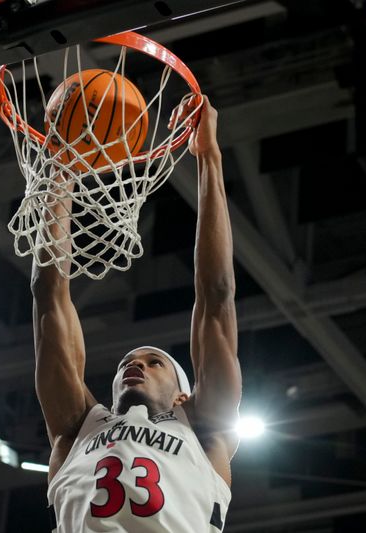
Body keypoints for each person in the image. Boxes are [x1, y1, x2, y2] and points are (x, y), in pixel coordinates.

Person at [33, 95, 241, 532]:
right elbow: (49, 294)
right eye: (129, 362)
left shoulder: (204, 429)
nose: (135, 366)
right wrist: (62, 168)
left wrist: (209, 157)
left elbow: (216, 297)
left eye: (154, 362)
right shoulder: (77, 428)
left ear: (184, 395)